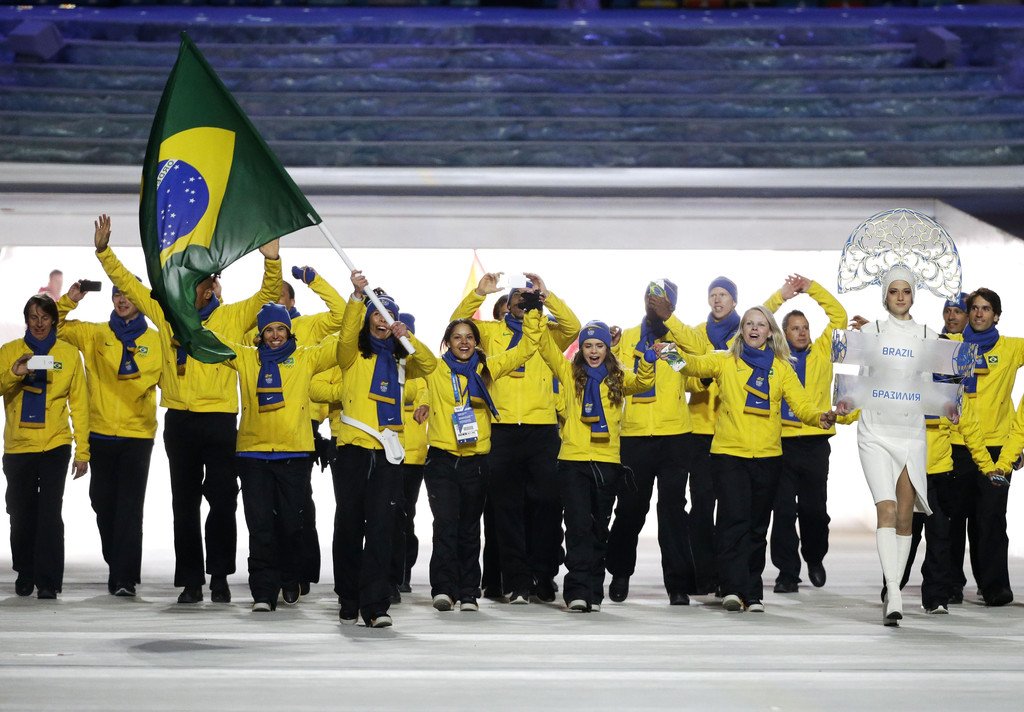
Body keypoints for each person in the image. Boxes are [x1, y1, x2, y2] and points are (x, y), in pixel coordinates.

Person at [94, 214, 282, 604]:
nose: (190, 285)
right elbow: (131, 285)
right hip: (179, 420)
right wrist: (104, 252)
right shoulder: (168, 313)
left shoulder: (231, 317)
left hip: (219, 420)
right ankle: (191, 580)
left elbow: (267, 294)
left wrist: (272, 259)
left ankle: (220, 576)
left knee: (223, 500)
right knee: (184, 503)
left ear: (210, 287)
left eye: (198, 281)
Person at [680, 306, 832, 613]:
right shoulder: (725, 360)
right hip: (729, 455)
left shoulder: (782, 368)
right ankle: (732, 588)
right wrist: (668, 354)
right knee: (732, 521)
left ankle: (752, 592)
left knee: (757, 527)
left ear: (770, 332)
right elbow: (692, 366)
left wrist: (820, 418)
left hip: (768, 457)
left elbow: (802, 406)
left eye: (760, 324)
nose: (753, 328)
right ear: (742, 330)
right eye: (749, 323)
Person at [451, 273, 580, 604]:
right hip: (502, 428)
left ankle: (544, 574)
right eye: (517, 297)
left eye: (528, 297)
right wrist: (478, 293)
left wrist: (547, 295)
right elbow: (456, 326)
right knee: (506, 510)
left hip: (542, 428)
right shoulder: (491, 333)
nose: (523, 301)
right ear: (507, 305)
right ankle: (517, 581)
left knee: (548, 504)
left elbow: (574, 326)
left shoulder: (547, 333)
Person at [415, 311, 543, 612]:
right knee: (445, 525)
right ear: (447, 342)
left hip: (476, 459)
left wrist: (534, 314)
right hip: (442, 459)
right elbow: (418, 362)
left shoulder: (488, 368)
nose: (464, 342)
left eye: (469, 337)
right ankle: (444, 589)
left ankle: (469, 592)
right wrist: (423, 402)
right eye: (457, 337)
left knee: (470, 528)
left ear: (477, 342)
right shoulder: (435, 368)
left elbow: (525, 348)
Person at [220, 303, 340, 612]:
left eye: (281, 329)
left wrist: (356, 302)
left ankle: (290, 578)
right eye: (269, 330)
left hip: (294, 454)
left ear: (290, 331)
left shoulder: (306, 357)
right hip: (253, 454)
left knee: (291, 525)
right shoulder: (246, 357)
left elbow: (345, 341)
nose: (275, 335)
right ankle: (263, 591)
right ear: (260, 335)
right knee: (260, 526)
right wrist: (180, 311)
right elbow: (206, 341)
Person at [836, 266, 939, 626]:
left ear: (913, 296)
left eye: (905, 291)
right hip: (875, 430)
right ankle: (893, 592)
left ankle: (894, 587)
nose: (900, 297)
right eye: (893, 291)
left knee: (906, 516)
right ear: (884, 296)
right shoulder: (870, 333)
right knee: (887, 509)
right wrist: (845, 403)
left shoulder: (928, 335)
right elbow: (857, 378)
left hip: (910, 432)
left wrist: (949, 405)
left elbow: (934, 385)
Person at [333, 271, 435, 627]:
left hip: (389, 453)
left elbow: (430, 365)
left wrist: (410, 337)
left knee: (382, 527)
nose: (382, 319)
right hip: (353, 450)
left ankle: (376, 605)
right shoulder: (351, 355)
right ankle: (348, 597)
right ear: (368, 319)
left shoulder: (402, 360)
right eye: (376, 313)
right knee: (349, 525)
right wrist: (356, 297)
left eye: (388, 315)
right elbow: (346, 336)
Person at [536, 319, 655, 613]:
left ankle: (594, 591)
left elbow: (643, 383)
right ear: (581, 348)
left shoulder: (618, 377)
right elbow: (546, 347)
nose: (593, 351)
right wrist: (538, 312)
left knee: (598, 528)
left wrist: (648, 362)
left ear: (607, 348)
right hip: (573, 461)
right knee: (578, 526)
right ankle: (577, 591)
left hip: (607, 462)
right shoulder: (568, 373)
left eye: (599, 345)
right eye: (588, 345)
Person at [56, 278, 163, 597]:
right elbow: (54, 328)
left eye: (128, 294)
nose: (122, 299)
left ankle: (124, 577)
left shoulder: (158, 340)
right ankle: (118, 561)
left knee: (130, 507)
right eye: (117, 294)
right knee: (101, 502)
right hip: (100, 433)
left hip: (137, 435)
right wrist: (70, 299)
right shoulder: (95, 334)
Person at [605, 279, 705, 606]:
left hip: (675, 436)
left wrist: (669, 320)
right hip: (635, 436)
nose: (653, 302)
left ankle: (678, 584)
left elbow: (696, 370)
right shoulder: (628, 337)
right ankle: (620, 573)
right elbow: (614, 378)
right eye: (650, 297)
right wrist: (612, 347)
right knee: (630, 509)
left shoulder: (677, 340)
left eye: (661, 299)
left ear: (671, 304)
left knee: (673, 510)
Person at [1, 294, 89, 599]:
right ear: (26, 320)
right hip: (18, 445)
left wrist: (83, 450)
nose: (39, 324)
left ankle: (49, 580)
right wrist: (14, 373)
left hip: (55, 443)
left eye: (45, 318)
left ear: (53, 320)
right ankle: (26, 571)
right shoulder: (10, 351)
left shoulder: (68, 354)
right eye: (34, 318)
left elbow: (80, 404)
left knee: (50, 512)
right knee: (20, 513)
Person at [764, 275, 847, 593]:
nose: (801, 332)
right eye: (795, 328)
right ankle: (787, 572)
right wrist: (781, 296)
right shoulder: (773, 357)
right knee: (783, 511)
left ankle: (814, 557)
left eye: (805, 327)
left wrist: (811, 288)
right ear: (782, 334)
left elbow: (838, 316)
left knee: (814, 510)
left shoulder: (823, 350)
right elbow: (757, 321)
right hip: (781, 443)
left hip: (815, 441)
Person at [947, 288, 1024, 606]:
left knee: (991, 518)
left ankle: (993, 586)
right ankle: (951, 583)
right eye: (975, 308)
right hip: (956, 444)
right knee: (953, 519)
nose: (979, 313)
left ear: (997, 315)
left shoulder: (1012, 348)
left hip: (997, 449)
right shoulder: (950, 345)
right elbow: (909, 349)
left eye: (986, 308)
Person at [685, 276, 741, 595]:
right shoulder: (695, 334)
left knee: (731, 507)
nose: (717, 299)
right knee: (702, 506)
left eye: (723, 294)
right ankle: (703, 574)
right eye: (713, 294)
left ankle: (726, 574)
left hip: (734, 431)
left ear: (734, 300)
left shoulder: (746, 335)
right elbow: (682, 373)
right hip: (700, 431)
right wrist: (701, 380)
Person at [392, 313, 427, 600]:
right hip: (385, 450)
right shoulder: (380, 362)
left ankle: (403, 572)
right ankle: (387, 571)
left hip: (413, 456)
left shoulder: (421, 368)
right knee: (384, 516)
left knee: (405, 517)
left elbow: (424, 395)